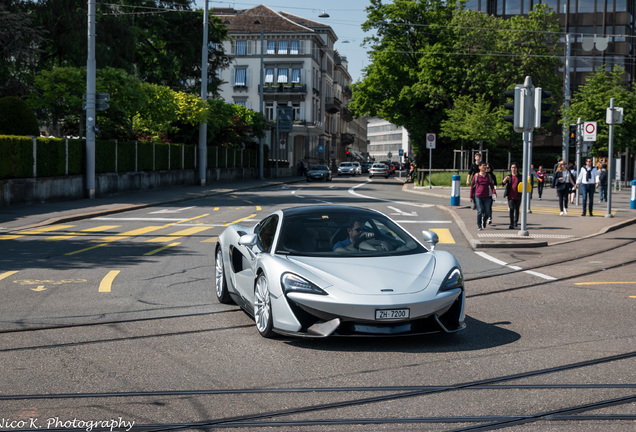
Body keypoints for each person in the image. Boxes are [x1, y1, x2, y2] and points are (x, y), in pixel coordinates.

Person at [470, 162, 494, 230]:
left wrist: (494, 192)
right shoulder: (476, 175)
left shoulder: (488, 176)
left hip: (486, 196)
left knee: (487, 211)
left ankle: (484, 221)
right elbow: (472, 186)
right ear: (479, 167)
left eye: (486, 166)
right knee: (480, 210)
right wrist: (471, 196)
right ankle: (479, 225)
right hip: (478, 196)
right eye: (483, 166)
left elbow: (492, 185)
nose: (485, 167)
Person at [502, 162, 522, 229]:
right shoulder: (509, 177)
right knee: (511, 209)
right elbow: (503, 183)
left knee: (517, 210)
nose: (514, 169)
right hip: (510, 196)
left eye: (515, 167)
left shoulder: (520, 177)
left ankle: (515, 222)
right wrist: (505, 179)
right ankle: (511, 223)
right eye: (512, 167)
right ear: (510, 168)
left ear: (517, 169)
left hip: (518, 196)